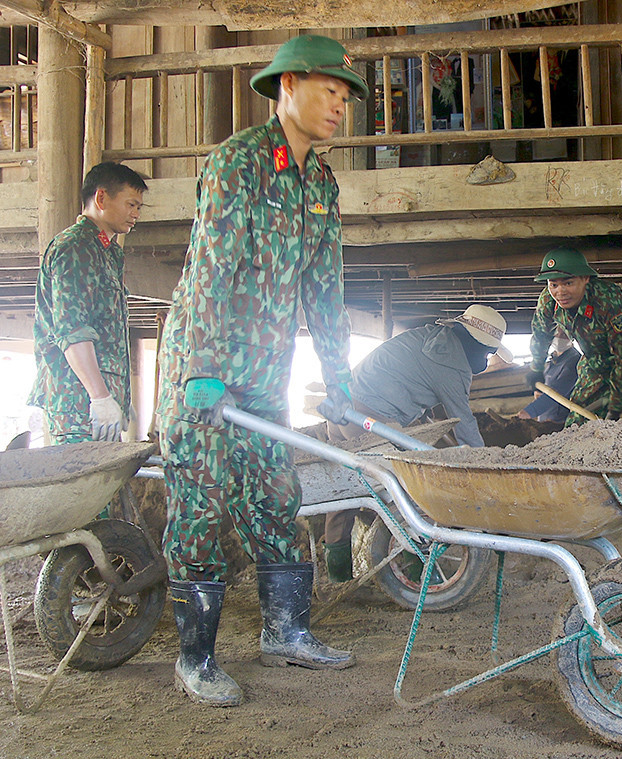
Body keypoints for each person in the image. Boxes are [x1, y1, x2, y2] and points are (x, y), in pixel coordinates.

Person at [154, 35, 369, 707]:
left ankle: (286, 631)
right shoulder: (238, 164)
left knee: (276, 499)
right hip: (204, 375)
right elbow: (210, 274)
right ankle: (196, 658)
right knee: (200, 507)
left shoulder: (321, 183)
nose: (339, 105)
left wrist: (340, 382)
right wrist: (202, 367)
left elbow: (325, 294)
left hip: (264, 377)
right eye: (328, 91)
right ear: (288, 86)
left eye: (344, 96)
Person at [321, 304, 510, 581]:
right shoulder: (454, 362)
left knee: (347, 489)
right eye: (488, 352)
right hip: (369, 418)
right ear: (477, 344)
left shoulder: (429, 336)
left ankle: (337, 576)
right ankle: (416, 569)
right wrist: (485, 467)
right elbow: (465, 426)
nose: (487, 358)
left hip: (342, 409)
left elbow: (416, 383)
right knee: (405, 488)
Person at [30, 162, 146, 445]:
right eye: (131, 204)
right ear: (101, 198)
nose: (136, 214)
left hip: (97, 407)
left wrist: (116, 393)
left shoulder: (107, 252)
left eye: (139, 208)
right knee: (81, 487)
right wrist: (100, 396)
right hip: (79, 406)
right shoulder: (76, 247)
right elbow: (73, 332)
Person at [527, 248, 622, 432]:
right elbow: (541, 334)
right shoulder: (548, 301)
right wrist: (537, 368)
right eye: (553, 284)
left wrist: (615, 408)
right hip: (595, 356)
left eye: (568, 283)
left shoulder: (610, 301)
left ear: (585, 279)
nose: (560, 292)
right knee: (578, 422)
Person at [518, 326, 581, 423]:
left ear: (571, 335)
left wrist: (529, 412)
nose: (559, 337)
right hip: (546, 420)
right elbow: (548, 387)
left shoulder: (574, 361)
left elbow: (557, 392)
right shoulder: (552, 360)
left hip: (559, 424)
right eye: (556, 333)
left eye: (564, 334)